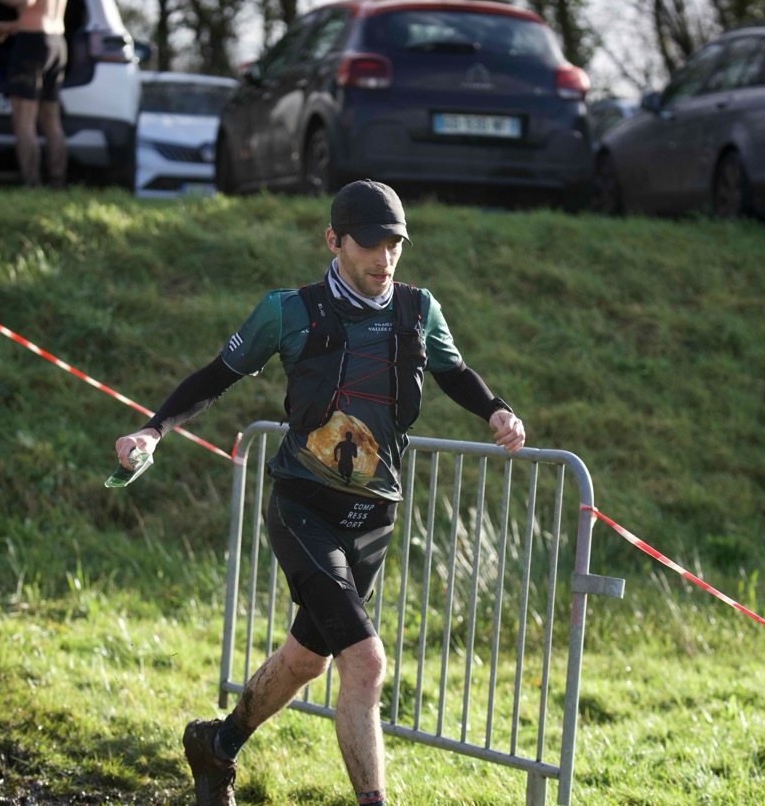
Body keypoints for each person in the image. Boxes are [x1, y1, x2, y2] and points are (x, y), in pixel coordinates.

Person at [113, 179, 526, 806]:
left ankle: (216, 745)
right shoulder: (288, 311)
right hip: (303, 507)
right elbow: (216, 375)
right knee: (365, 662)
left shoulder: (419, 310)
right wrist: (152, 430)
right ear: (334, 240)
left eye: (395, 245)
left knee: (306, 660)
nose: (384, 259)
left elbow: (455, 372)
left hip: (374, 519)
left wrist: (496, 410)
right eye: (370, 244)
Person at [0, 0, 71, 187]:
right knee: (51, 120)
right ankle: (57, 183)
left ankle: (32, 184)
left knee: (23, 120)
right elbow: (40, 13)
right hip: (57, 43)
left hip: (32, 45)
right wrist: (9, 27)